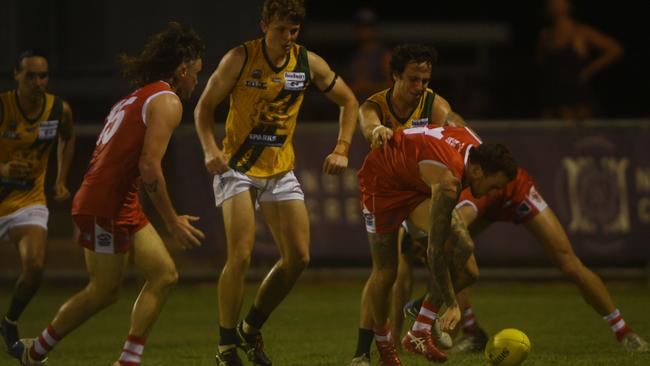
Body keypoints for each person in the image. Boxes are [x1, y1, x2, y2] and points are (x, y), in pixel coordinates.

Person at [10, 22, 206, 366]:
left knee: (164, 274)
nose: (196, 82)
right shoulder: (168, 101)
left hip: (118, 200)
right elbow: (149, 166)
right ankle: (34, 352)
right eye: (197, 74)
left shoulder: (137, 96)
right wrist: (172, 221)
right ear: (183, 69)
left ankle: (126, 361)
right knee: (103, 291)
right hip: (106, 205)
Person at [194, 1, 358, 365]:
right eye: (281, 29)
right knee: (240, 255)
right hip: (237, 167)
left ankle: (249, 329)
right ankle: (225, 347)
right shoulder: (239, 58)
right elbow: (203, 108)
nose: (287, 38)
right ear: (264, 25)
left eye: (294, 31)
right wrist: (209, 150)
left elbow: (348, 101)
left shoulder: (308, 63)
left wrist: (343, 147)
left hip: (280, 170)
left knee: (298, 257)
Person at [394, 166, 650, 358]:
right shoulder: (416, 223)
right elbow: (404, 278)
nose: (422, 258)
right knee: (448, 261)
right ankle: (473, 333)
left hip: (515, 191)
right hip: (481, 202)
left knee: (569, 264)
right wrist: (396, 338)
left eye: (421, 253)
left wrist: (434, 311)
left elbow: (458, 259)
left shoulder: (458, 208)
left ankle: (624, 331)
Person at [350, 124, 518, 366]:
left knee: (467, 262)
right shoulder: (450, 182)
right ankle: (383, 349)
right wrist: (451, 304)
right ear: (479, 171)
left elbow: (444, 126)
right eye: (494, 186)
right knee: (386, 271)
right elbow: (435, 251)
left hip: (415, 185)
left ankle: (419, 330)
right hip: (381, 185)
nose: (493, 193)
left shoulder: (472, 145)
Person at [0, 50, 75, 353]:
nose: (38, 81)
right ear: (16, 75)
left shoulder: (58, 108)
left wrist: (60, 179)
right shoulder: (3, 105)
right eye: (30, 75)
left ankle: (9, 321)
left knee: (35, 267)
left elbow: (67, 138)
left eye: (43, 75)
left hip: (26, 200)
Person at [537, 0, 623, 120]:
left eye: (559, 2)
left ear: (568, 5)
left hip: (577, 101)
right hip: (553, 100)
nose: (556, 6)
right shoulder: (544, 36)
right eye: (552, 3)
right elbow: (543, 67)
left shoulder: (580, 32)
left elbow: (615, 49)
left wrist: (589, 70)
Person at [346, 7, 392, 101]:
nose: (364, 30)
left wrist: (365, 87)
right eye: (360, 26)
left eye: (368, 26)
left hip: (378, 109)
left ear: (375, 28)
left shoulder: (384, 56)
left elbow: (393, 86)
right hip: (357, 107)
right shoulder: (355, 56)